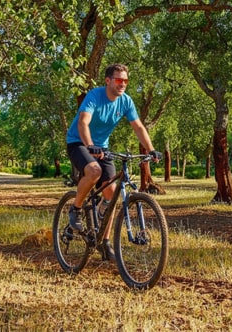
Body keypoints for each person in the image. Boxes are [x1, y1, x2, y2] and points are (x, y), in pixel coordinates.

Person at [65, 63, 162, 261]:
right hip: (79, 142)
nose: (123, 84)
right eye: (119, 80)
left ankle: (105, 240)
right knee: (93, 171)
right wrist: (90, 145)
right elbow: (83, 122)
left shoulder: (126, 101)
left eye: (126, 81)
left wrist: (151, 150)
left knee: (111, 192)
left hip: (102, 147)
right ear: (108, 80)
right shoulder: (95, 96)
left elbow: (138, 127)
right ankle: (75, 209)